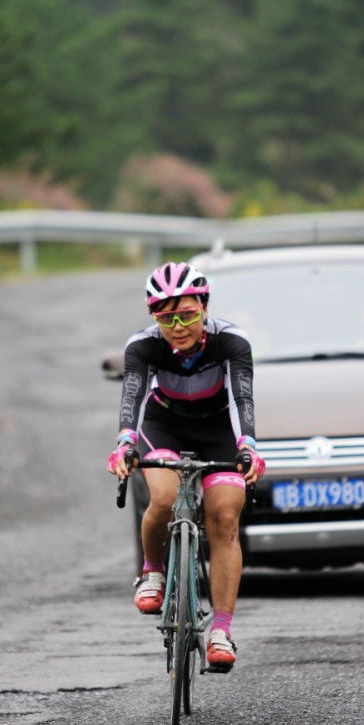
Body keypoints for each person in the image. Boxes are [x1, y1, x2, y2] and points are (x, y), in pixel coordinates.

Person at [107, 261, 265, 671]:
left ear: (205, 307)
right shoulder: (142, 347)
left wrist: (248, 446)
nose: (178, 326)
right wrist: (124, 444)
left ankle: (221, 631)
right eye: (166, 317)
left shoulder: (231, 341)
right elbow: (133, 400)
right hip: (165, 428)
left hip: (218, 431)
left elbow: (241, 400)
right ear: (154, 318)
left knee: (225, 517)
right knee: (162, 497)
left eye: (188, 314)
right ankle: (154, 571)